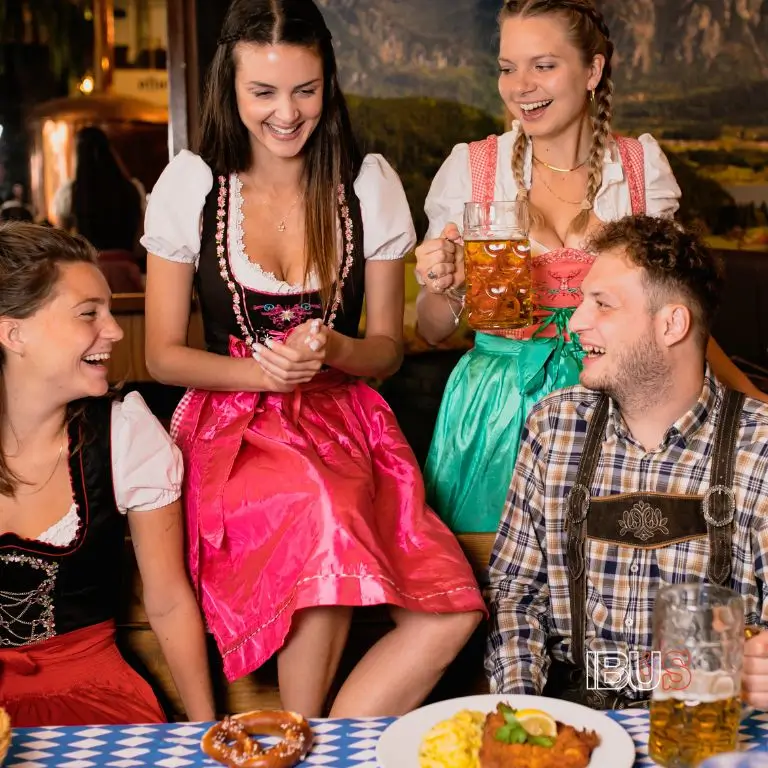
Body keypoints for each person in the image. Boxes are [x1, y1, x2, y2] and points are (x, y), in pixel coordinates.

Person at [141, 0, 484, 718]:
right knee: (316, 503)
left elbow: (388, 350)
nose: (286, 113)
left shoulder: (368, 187)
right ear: (229, 93)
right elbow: (162, 356)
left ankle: (316, 742)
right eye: (262, 92)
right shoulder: (195, 186)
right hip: (233, 427)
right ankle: (300, 729)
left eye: (304, 89)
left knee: (453, 606)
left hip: (346, 419)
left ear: (328, 83)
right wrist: (258, 372)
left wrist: (336, 347)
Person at [414, 0, 764, 534]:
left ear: (593, 71)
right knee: (494, 581)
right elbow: (431, 329)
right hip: (496, 411)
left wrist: (751, 397)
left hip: (622, 401)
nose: (520, 85)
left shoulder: (640, 171)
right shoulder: (472, 170)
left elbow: (675, 320)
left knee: (615, 572)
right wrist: (442, 283)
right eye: (508, 68)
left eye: (544, 65)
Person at [485, 215, 768, 708]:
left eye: (603, 304)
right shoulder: (554, 427)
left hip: (713, 726)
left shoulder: (760, 447)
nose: (575, 323)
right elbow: (516, 600)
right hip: (576, 722)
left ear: (671, 324)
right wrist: (523, 716)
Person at [0, 222, 214, 726]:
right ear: (14, 333)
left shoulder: (126, 439)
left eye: (110, 311)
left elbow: (166, 602)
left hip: (89, 696)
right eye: (88, 314)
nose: (114, 330)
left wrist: (206, 735)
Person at [53, 126, 145, 255]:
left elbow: (61, 239)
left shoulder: (70, 191)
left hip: (89, 264)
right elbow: (141, 238)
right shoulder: (131, 187)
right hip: (126, 264)